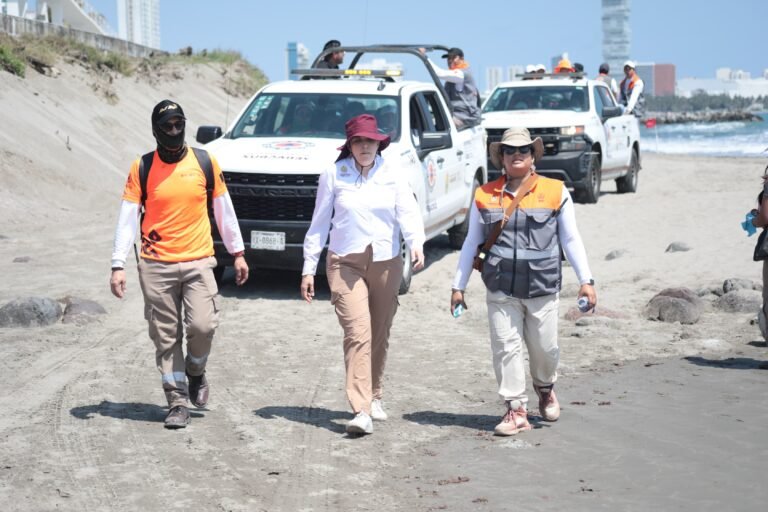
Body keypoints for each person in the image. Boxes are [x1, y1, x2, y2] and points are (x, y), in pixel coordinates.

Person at [109, 100, 249, 429]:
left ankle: (196, 372)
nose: (174, 131)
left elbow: (223, 210)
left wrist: (238, 252)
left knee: (203, 327)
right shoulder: (141, 168)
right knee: (165, 336)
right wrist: (118, 264)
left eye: (178, 124)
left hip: (200, 261)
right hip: (156, 266)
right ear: (156, 130)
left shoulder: (204, 161)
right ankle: (177, 401)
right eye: (167, 126)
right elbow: (127, 219)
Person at [450, 127, 596, 437]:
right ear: (500, 157)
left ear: (533, 157)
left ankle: (545, 387)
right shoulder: (484, 194)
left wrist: (587, 280)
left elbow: (570, 238)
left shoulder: (556, 191)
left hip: (542, 287)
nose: (517, 155)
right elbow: (470, 244)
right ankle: (515, 409)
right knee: (506, 348)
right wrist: (458, 286)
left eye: (524, 150)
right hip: (501, 286)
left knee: (545, 349)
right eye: (510, 150)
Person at [300, 114, 426, 435]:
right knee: (358, 332)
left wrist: (416, 244)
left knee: (380, 331)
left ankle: (375, 393)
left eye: (370, 140)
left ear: (379, 143)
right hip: (345, 263)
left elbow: (408, 213)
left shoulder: (393, 174)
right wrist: (308, 268)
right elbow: (318, 224)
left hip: (386, 261)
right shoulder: (333, 174)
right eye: (359, 141)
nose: (365, 146)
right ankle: (361, 410)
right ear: (350, 145)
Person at [419, 47, 481, 128]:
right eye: (448, 58)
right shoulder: (453, 76)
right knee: (428, 124)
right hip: (456, 116)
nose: (450, 60)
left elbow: (439, 73)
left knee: (433, 128)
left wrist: (424, 56)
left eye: (453, 57)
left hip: (464, 118)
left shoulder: (462, 74)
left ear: (462, 59)